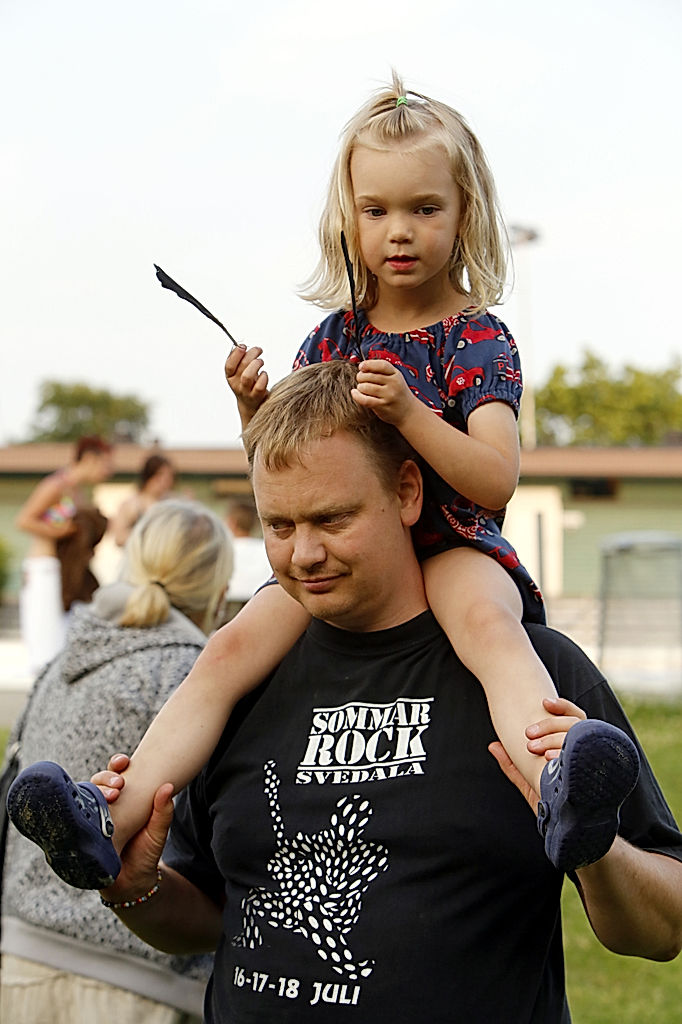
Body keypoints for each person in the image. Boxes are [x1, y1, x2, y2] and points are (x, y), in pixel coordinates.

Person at [4, 76, 643, 887]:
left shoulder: (478, 337)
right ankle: (109, 819)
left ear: (466, 215)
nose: (398, 232)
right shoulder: (334, 335)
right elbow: (294, 473)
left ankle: (556, 786)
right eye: (375, 211)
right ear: (348, 218)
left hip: (450, 544)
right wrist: (253, 414)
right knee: (228, 648)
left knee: (488, 628)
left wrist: (412, 414)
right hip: (344, 550)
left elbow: (496, 478)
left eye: (423, 209)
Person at [87, 362, 682, 1021]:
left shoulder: (532, 675)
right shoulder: (239, 685)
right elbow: (207, 918)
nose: (303, 554)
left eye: (332, 519)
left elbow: (661, 931)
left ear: (406, 492)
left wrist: (598, 851)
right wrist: (132, 889)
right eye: (279, 527)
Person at [1, 498, 232, 1024]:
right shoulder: (197, 678)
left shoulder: (64, 661)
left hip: (22, 965)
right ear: (218, 592)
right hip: (139, 980)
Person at [16, 435, 113, 676]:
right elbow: (24, 520)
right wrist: (60, 531)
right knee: (44, 643)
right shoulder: (56, 485)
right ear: (90, 458)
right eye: (105, 463)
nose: (108, 470)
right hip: (43, 567)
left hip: (60, 570)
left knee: (60, 636)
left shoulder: (75, 491)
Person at [219, 500, 272, 623]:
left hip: (225, 616)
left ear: (231, 522)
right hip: (258, 613)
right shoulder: (266, 549)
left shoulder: (223, 550)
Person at [110, 453, 176, 547]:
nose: (165, 481)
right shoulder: (132, 504)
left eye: (169, 476)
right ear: (149, 476)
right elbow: (119, 539)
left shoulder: (173, 502)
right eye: (159, 476)